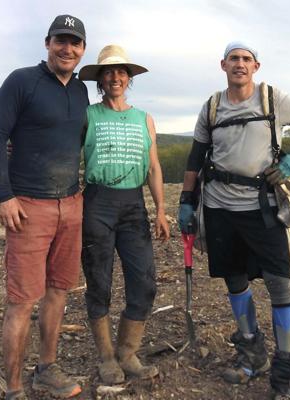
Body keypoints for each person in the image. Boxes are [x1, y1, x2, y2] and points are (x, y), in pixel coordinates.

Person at [178, 41, 290, 400]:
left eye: (246, 59)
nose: (240, 64)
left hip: (262, 208)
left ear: (256, 66)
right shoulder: (212, 107)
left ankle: (287, 368)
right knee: (234, 279)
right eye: (234, 59)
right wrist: (186, 199)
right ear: (223, 65)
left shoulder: (273, 99)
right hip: (219, 209)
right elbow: (195, 156)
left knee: (280, 283)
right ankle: (252, 353)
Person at [0, 15, 88, 400]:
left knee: (59, 290)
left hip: (71, 203)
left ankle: (47, 368)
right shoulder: (21, 81)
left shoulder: (80, 92)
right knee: (21, 299)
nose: (67, 48)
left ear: (82, 50)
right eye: (60, 41)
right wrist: (4, 195)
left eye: (75, 43)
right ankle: (13, 388)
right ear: (47, 43)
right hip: (28, 207)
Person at [77, 45, 170, 385]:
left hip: (134, 205)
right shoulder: (88, 115)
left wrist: (160, 210)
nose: (115, 77)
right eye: (108, 72)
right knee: (99, 281)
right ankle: (106, 357)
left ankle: (127, 353)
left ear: (129, 78)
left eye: (121, 72)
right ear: (100, 80)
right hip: (97, 203)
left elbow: (154, 166)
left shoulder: (144, 118)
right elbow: (67, 154)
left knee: (144, 282)